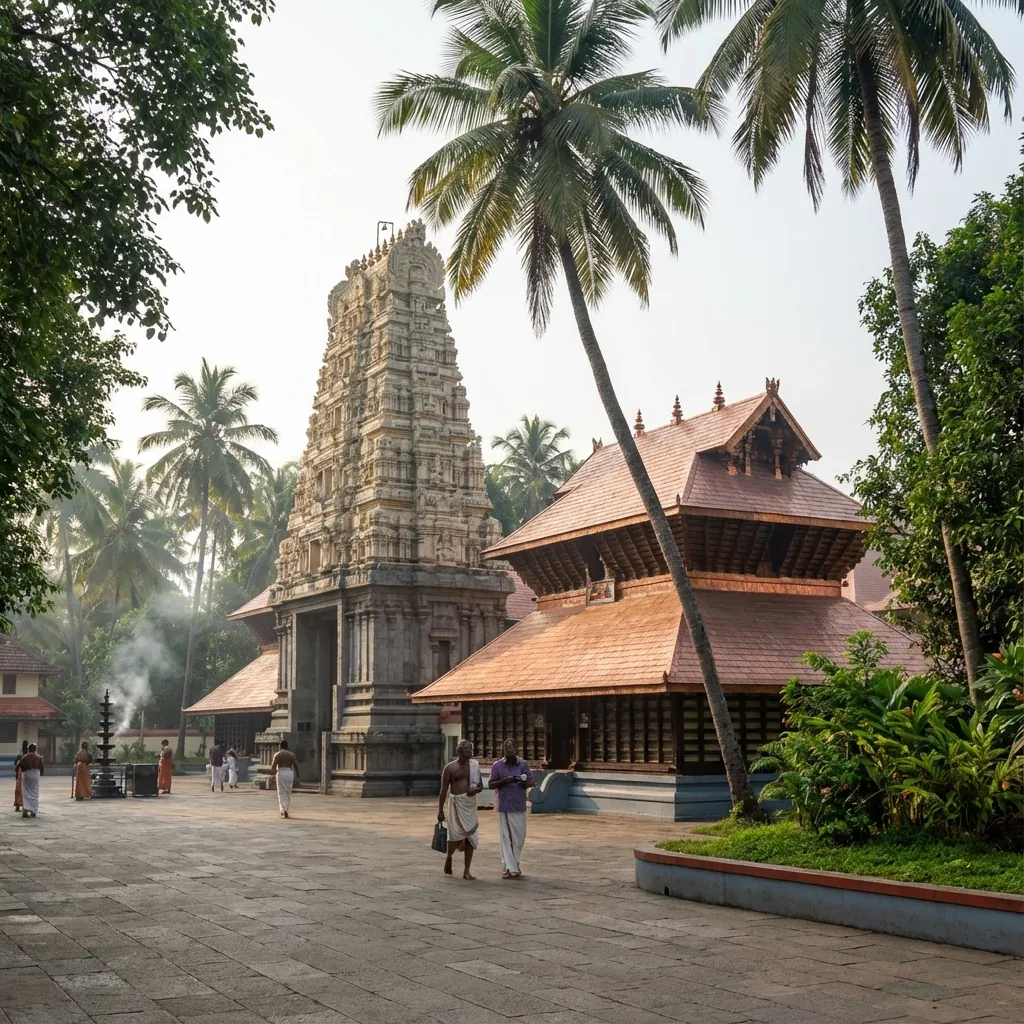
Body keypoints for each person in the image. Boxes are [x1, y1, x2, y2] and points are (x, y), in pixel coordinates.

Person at [437, 739, 483, 880]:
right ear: (459, 752)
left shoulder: (474, 765)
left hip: (469, 804)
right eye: (465, 751)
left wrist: (473, 790)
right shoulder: (450, 768)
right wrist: (440, 811)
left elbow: (480, 785)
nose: (468, 753)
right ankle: (449, 856)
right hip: (456, 805)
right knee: (455, 837)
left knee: (470, 837)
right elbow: (443, 790)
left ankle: (467, 870)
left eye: (470, 750)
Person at [488, 738, 534, 879]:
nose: (509, 750)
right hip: (505, 806)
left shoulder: (523, 764)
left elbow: (531, 781)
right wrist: (504, 781)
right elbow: (490, 784)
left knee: (519, 837)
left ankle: (513, 864)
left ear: (516, 749)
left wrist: (524, 781)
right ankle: (511, 867)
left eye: (512, 747)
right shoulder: (497, 766)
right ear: (503, 750)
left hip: (519, 804)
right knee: (507, 838)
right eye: (507, 747)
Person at [269, 740, 298, 818]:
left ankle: (283, 810)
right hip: (289, 773)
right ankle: (286, 809)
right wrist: (297, 776)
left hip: (281, 773)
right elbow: (295, 766)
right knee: (288, 792)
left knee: (281, 792)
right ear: (287, 746)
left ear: (280, 746)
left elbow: (273, 767)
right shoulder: (292, 755)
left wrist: (271, 776)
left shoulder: (277, 755)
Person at [18, 743, 44, 818]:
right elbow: (41, 768)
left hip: (27, 774)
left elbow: (18, 767)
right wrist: (40, 774)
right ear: (35, 749)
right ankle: (33, 811)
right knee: (35, 792)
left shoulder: (24, 757)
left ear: (28, 749)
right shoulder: (39, 757)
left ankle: (25, 810)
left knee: (26, 792)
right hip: (35, 774)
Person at [13, 739, 28, 812]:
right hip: (26, 777)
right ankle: (25, 806)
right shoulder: (28, 756)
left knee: (18, 791)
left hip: (19, 777)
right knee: (26, 791)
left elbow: (15, 766)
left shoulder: (19, 756)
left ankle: (17, 806)